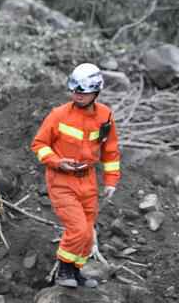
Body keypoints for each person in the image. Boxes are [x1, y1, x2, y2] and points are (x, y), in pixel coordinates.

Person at [31, 62, 121, 288]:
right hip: (61, 180)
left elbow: (110, 150)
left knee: (88, 233)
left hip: (88, 179)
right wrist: (57, 162)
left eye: (83, 92)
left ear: (96, 91)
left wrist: (111, 181)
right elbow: (39, 144)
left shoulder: (105, 116)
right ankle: (63, 271)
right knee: (77, 228)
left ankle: (76, 272)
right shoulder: (58, 115)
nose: (78, 95)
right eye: (75, 91)